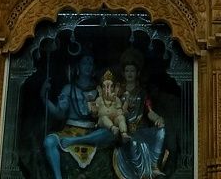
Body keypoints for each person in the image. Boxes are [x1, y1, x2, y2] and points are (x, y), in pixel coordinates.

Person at [41, 52, 116, 178]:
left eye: (90, 63)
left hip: (92, 132)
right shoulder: (68, 88)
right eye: (84, 63)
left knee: (111, 132)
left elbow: (107, 115)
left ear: (94, 68)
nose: (88, 66)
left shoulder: (100, 91)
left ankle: (75, 141)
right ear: (78, 66)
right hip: (69, 130)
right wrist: (44, 97)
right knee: (49, 141)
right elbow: (59, 114)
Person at [112, 51, 167, 179]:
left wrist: (158, 118)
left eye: (132, 71)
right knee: (135, 143)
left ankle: (154, 166)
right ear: (123, 73)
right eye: (127, 71)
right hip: (124, 130)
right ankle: (142, 175)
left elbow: (149, 112)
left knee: (161, 131)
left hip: (141, 129)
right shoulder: (118, 92)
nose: (130, 73)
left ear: (138, 73)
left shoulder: (142, 93)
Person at [88, 70, 128, 139]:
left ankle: (124, 134)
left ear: (115, 88)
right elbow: (95, 114)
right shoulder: (99, 99)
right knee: (104, 118)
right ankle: (113, 129)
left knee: (121, 118)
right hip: (102, 122)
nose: (107, 89)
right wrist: (93, 110)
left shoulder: (117, 99)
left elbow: (119, 110)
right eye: (105, 87)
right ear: (101, 88)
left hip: (114, 120)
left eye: (110, 87)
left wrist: (121, 112)